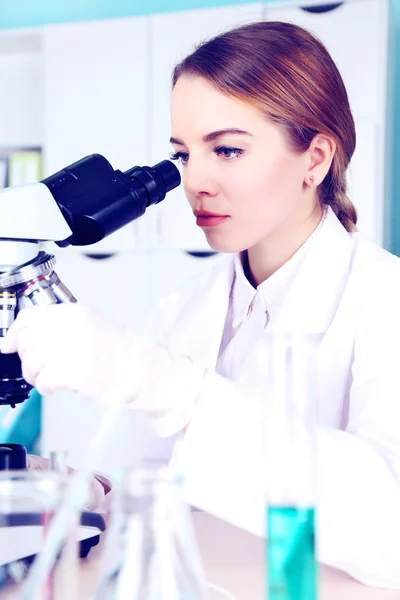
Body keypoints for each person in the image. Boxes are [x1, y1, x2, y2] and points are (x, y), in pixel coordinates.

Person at [1, 20, 400, 588]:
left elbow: (392, 531)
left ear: (315, 159)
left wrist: (175, 390)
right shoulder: (194, 307)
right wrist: (80, 489)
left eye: (229, 150)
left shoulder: (386, 299)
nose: (196, 181)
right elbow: (176, 488)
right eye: (184, 154)